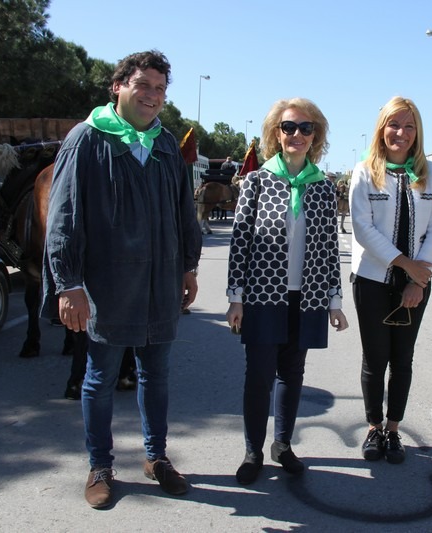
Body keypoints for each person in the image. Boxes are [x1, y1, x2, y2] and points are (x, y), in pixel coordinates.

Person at [42, 50, 202, 509]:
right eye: (143, 85)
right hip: (107, 286)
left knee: (156, 375)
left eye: (160, 89)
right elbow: (64, 216)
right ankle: (100, 466)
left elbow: (183, 212)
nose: (152, 95)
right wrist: (69, 284)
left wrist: (188, 266)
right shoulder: (87, 139)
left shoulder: (166, 143)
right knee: (99, 378)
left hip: (160, 281)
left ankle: (156, 458)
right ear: (118, 87)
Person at [226, 98, 348, 485]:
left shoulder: (323, 188)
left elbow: (329, 248)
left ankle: (282, 444)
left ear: (316, 136)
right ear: (276, 134)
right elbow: (240, 242)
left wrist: (334, 301)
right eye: (289, 127)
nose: (297, 134)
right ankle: (253, 451)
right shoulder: (257, 181)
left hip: (307, 297)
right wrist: (235, 297)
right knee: (259, 375)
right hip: (262, 295)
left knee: (292, 374)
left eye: (306, 128)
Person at [350, 96, 432, 464]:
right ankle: (374, 428)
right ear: (382, 129)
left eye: (408, 126)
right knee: (375, 359)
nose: (400, 133)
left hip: (416, 282)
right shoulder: (364, 172)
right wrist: (405, 264)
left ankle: (393, 429)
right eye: (394, 125)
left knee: (402, 359)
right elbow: (363, 228)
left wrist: (418, 279)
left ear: (417, 132)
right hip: (372, 280)